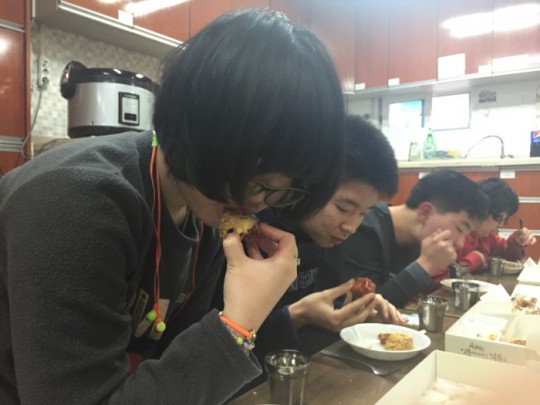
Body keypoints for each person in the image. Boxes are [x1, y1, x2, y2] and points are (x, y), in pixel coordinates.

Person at [0, 9, 347, 404]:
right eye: (255, 177)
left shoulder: (205, 213)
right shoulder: (78, 203)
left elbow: (169, 368)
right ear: (201, 122)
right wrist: (237, 326)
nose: (256, 203)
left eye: (285, 190)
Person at [214, 115, 405, 397]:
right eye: (343, 208)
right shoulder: (250, 232)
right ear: (309, 184)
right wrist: (296, 316)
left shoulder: (317, 234)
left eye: (363, 213)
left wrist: (350, 306)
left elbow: (306, 301)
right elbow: (217, 347)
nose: (351, 226)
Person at [319, 170, 490, 308]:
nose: (461, 243)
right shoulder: (364, 227)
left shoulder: (416, 239)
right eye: (460, 229)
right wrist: (426, 265)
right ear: (425, 212)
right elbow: (367, 307)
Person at [456, 178, 536, 272]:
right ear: (482, 209)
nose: (501, 225)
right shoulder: (455, 236)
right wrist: (473, 261)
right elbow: (443, 276)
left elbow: (505, 253)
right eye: (498, 218)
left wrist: (516, 242)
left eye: (504, 220)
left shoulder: (487, 237)